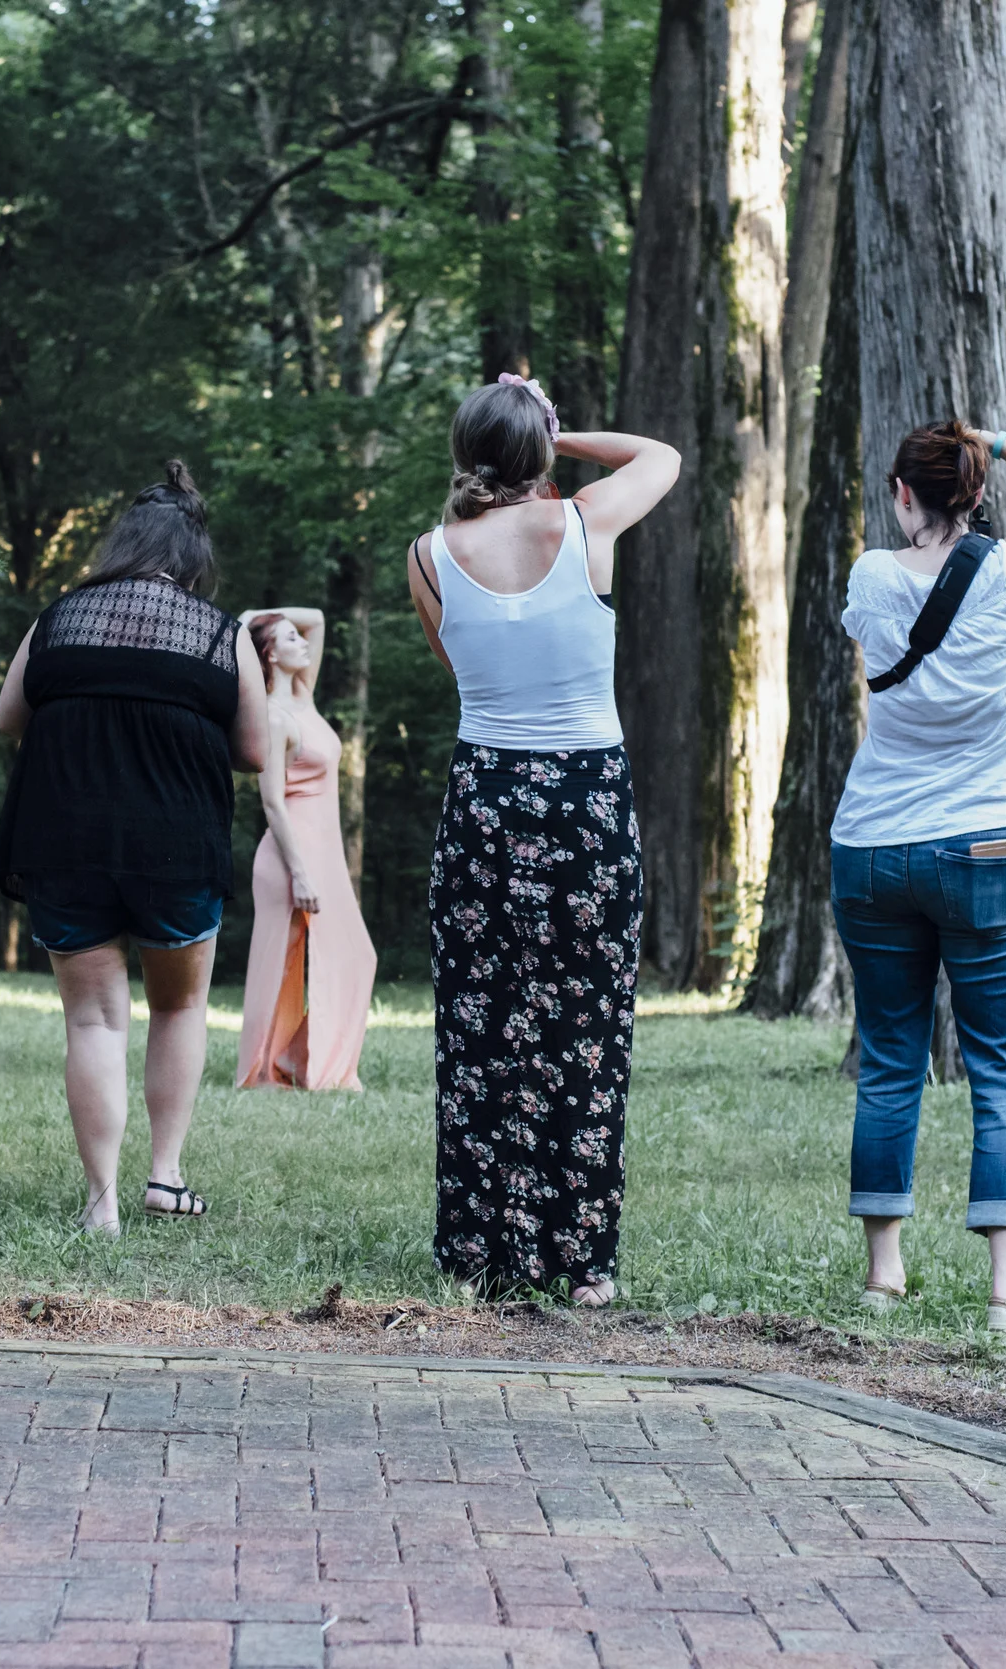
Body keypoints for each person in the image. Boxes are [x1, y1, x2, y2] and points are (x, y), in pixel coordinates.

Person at [405, 374, 680, 1309]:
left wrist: (525, 437)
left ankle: (482, 1248)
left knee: (479, 1023)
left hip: (485, 797)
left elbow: (458, 667)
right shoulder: (586, 522)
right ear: (540, 453)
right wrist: (560, 434)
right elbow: (662, 457)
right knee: (587, 1024)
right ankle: (584, 1257)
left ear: (464, 453)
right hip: (585, 802)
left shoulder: (429, 555)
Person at [831, 420, 1006, 1333]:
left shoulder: (871, 577)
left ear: (902, 494)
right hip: (990, 845)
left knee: (889, 1057)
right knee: (1003, 1063)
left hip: (875, 849)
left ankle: (883, 1276)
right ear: (979, 494)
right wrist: (1000, 441)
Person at [0, 461, 266, 1235]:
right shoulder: (220, 633)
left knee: (93, 1022)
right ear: (193, 556)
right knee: (178, 1005)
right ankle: (164, 1177)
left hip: (64, 840)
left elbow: (9, 717)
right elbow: (254, 750)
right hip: (175, 846)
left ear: (123, 544)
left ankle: (101, 1202)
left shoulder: (58, 618)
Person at [236, 607, 377, 1090]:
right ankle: (261, 1071)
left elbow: (316, 617)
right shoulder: (272, 717)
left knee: (358, 957)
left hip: (324, 853)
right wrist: (298, 872)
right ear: (271, 655)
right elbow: (272, 802)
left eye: (299, 638)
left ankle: (297, 1059)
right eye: (289, 639)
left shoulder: (304, 697)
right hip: (289, 855)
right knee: (278, 961)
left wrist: (253, 617)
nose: (303, 642)